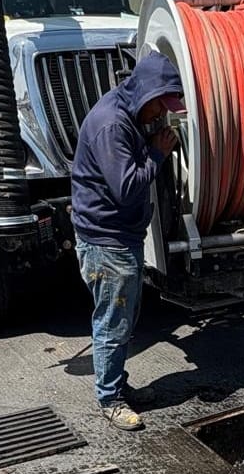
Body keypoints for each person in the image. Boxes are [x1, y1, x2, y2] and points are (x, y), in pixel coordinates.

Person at [71, 51, 184, 430]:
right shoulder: (111, 125)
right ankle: (110, 399)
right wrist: (157, 153)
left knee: (123, 319)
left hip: (121, 236)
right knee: (112, 323)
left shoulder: (131, 113)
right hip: (106, 242)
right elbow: (127, 187)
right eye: (160, 105)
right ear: (147, 93)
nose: (161, 114)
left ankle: (117, 383)